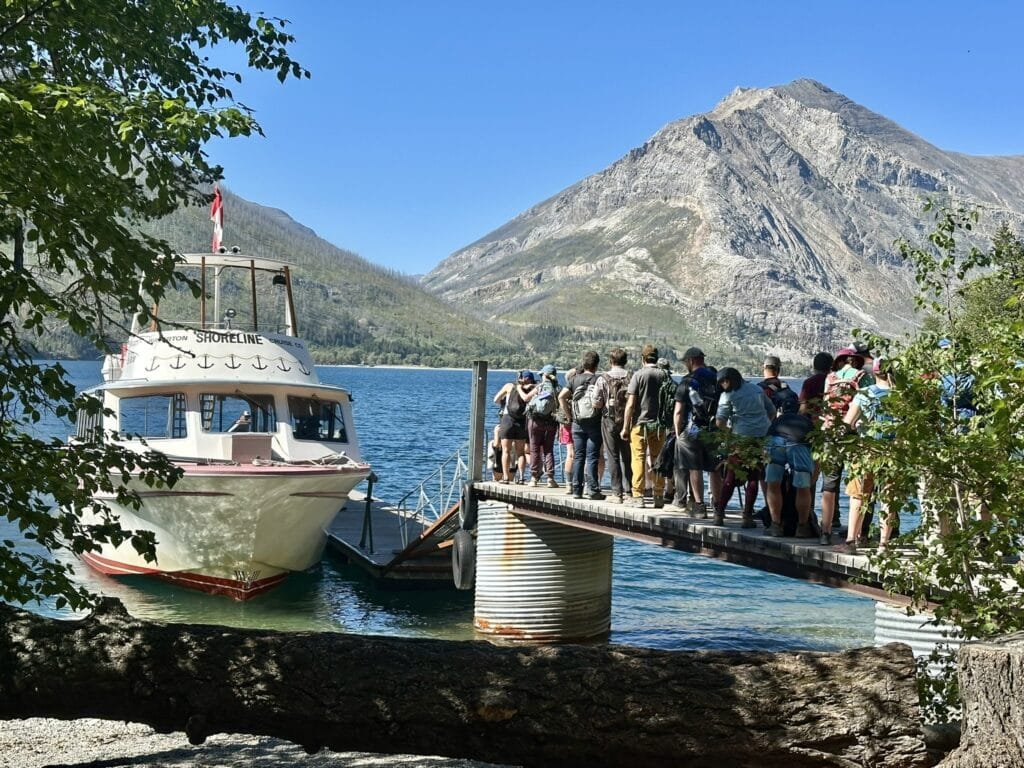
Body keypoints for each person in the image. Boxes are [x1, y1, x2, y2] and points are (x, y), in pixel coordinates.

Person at [840, 357, 898, 552]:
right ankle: (884, 544)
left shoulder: (864, 394)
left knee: (858, 496)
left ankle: (851, 540)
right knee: (888, 498)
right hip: (892, 453)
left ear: (874, 373)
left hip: (866, 449)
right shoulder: (900, 396)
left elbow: (847, 422)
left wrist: (856, 428)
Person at [818, 347, 873, 544]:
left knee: (829, 485)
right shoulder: (862, 376)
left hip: (830, 434)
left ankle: (825, 531)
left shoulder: (830, 377)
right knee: (857, 485)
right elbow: (867, 405)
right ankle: (856, 534)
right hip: (854, 435)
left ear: (840, 361)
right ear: (857, 361)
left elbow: (825, 403)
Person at [714, 367, 775, 527]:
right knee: (754, 477)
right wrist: (761, 426)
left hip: (739, 439)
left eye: (723, 382)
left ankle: (719, 513)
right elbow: (772, 411)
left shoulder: (727, 396)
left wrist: (731, 433)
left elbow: (719, 422)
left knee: (731, 477)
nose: (722, 385)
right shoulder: (757, 389)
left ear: (730, 380)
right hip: (761, 438)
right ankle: (747, 516)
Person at [669, 347, 721, 518]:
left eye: (685, 362)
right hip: (714, 429)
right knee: (715, 469)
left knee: (694, 468)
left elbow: (678, 411)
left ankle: (699, 506)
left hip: (692, 430)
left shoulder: (686, 381)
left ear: (690, 361)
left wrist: (677, 434)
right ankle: (718, 506)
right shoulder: (717, 379)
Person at [621, 344, 669, 508]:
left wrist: (625, 427)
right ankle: (658, 495)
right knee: (657, 459)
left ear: (643, 359)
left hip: (639, 424)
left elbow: (630, 404)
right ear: (656, 357)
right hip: (658, 426)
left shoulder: (638, 375)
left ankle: (638, 496)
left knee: (638, 459)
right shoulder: (664, 375)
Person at [558, 351, 608, 500]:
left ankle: (576, 490)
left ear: (584, 364)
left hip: (577, 424)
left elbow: (561, 396)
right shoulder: (599, 379)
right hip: (594, 424)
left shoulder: (574, 380)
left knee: (578, 456)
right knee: (592, 457)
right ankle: (592, 490)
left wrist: (569, 415)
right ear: (596, 365)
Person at [763, 395, 815, 538]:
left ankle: (775, 525)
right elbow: (817, 453)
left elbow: (765, 445)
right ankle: (802, 527)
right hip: (799, 443)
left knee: (773, 484)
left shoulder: (777, 421)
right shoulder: (807, 422)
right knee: (803, 487)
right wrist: (813, 478)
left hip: (776, 440)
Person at [600, 348, 632, 503]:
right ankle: (629, 491)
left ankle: (616, 493)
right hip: (628, 421)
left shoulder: (603, 378)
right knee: (628, 457)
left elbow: (596, 402)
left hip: (609, 420)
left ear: (610, 361)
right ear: (625, 361)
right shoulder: (631, 378)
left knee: (612, 456)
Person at [493, 370, 536, 484]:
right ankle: (521, 477)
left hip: (507, 420)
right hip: (522, 421)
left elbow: (496, 399)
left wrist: (504, 402)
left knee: (506, 451)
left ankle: (506, 477)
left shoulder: (509, 386)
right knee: (520, 452)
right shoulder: (532, 389)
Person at [526, 364, 561, 488]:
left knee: (534, 449)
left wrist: (520, 388)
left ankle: (534, 478)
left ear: (544, 376)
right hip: (551, 423)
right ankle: (550, 478)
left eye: (541, 375)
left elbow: (526, 398)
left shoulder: (540, 387)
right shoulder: (558, 389)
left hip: (536, 422)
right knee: (548, 450)